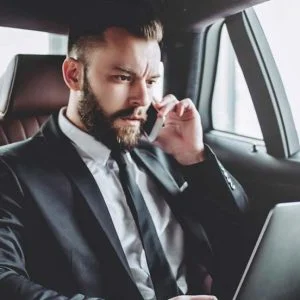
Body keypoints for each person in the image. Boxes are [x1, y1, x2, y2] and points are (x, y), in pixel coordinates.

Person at [0, 3, 249, 300]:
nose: (143, 98)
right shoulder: (12, 171)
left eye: (151, 80)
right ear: (73, 75)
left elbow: (241, 238)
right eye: (123, 77)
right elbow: (5, 281)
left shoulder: (160, 153)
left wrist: (194, 157)